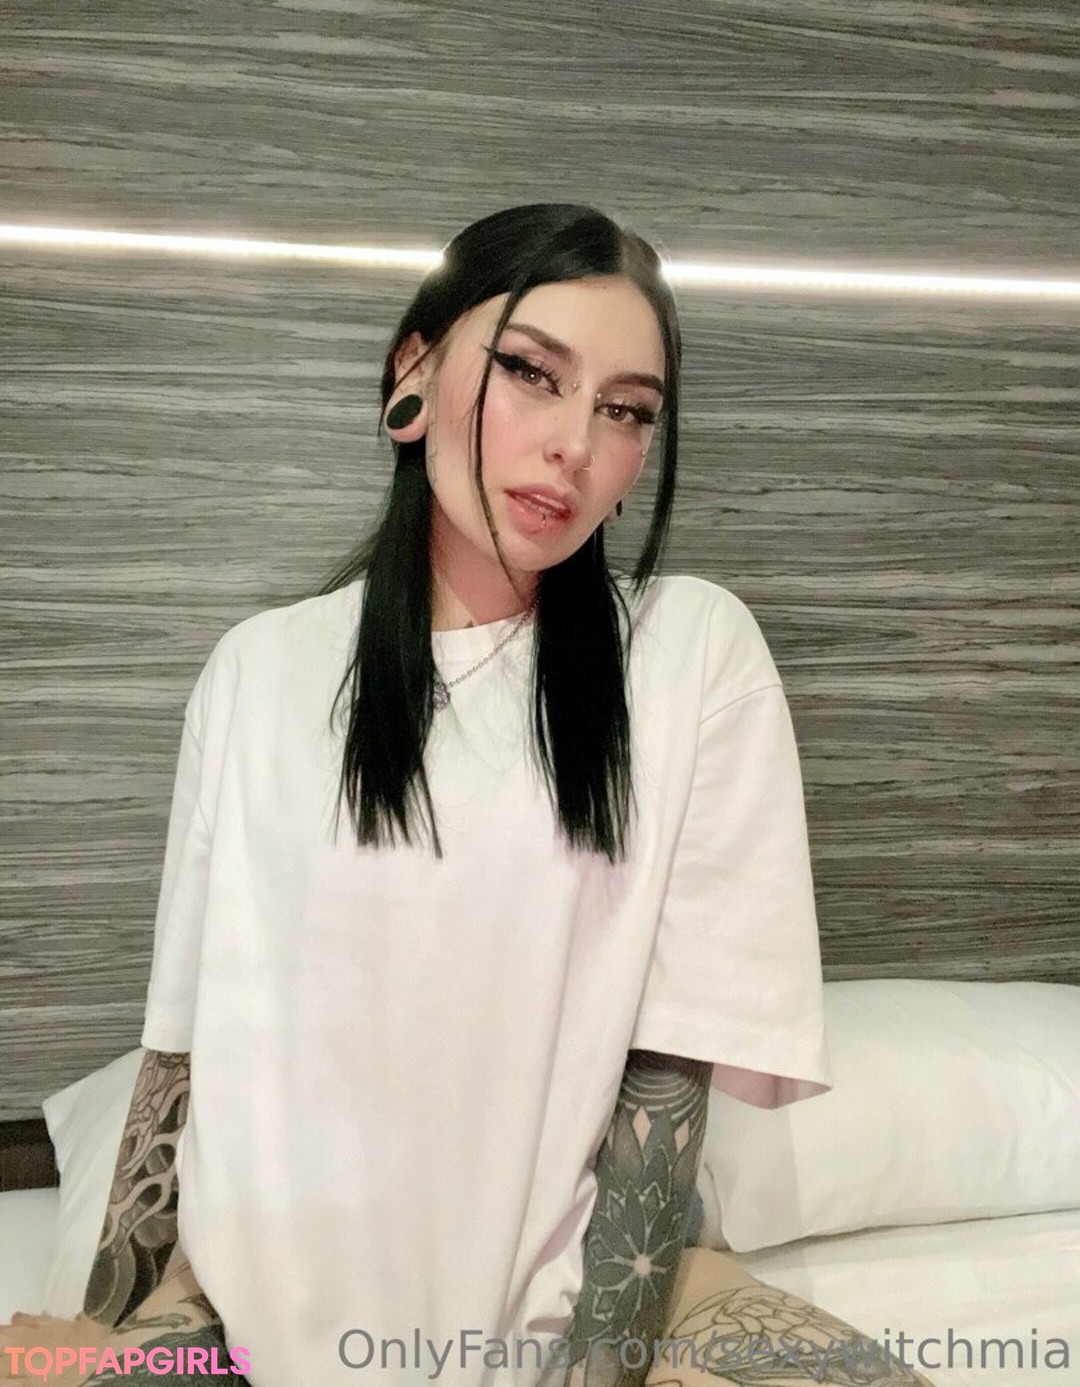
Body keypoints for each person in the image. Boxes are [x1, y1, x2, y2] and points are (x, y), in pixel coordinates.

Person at [2, 203, 936, 1387]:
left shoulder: (690, 654)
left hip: (596, 1302)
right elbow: (178, 1064)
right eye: (533, 374)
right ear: (416, 369)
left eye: (626, 410)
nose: (575, 445)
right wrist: (103, 1325)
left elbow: (663, 1098)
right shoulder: (258, 672)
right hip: (245, 1306)